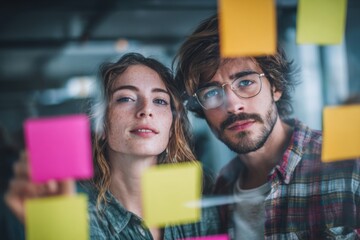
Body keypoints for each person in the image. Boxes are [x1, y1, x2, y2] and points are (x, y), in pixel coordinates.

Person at [174, 14, 360, 239]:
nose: (233, 105)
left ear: (276, 86)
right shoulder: (223, 187)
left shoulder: (349, 165)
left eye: (245, 82)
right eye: (212, 92)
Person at [5, 53, 220, 239]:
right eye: (126, 98)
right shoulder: (77, 219)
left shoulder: (201, 211)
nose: (146, 110)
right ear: (102, 124)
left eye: (160, 101)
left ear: (172, 127)